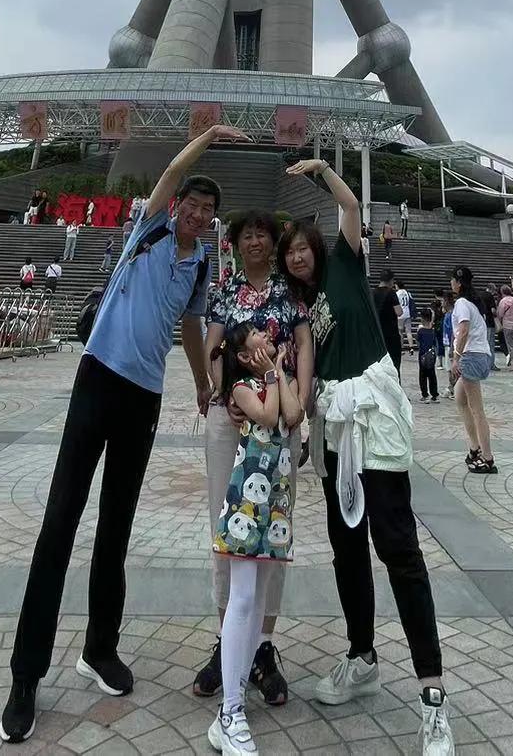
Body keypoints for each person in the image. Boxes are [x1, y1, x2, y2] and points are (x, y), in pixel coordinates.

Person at [0, 123, 242, 745]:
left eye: (208, 211)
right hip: (97, 380)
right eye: (192, 204)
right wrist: (210, 134)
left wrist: (199, 382)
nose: (197, 215)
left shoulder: (202, 263)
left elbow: (190, 328)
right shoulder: (152, 228)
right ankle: (25, 678)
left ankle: (99, 648)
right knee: (60, 523)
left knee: (117, 526)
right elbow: (165, 176)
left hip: (143, 398)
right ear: (177, 205)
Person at [278, 158, 456, 756]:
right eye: (290, 252)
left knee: (399, 550)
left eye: (304, 247)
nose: (298, 256)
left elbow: (352, 209)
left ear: (319, 249)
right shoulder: (301, 312)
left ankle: (432, 699)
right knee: (346, 549)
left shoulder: (347, 267)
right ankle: (361, 658)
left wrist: (325, 171)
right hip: (333, 430)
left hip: (374, 420)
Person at [195, 209, 312, 710]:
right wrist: (213, 383)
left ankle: (262, 644)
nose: (255, 242)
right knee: (227, 529)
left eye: (262, 234)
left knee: (275, 531)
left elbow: (304, 343)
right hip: (233, 420)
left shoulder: (290, 292)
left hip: (279, 419)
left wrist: (301, 401)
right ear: (235, 244)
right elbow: (212, 342)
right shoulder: (224, 289)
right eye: (247, 235)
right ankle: (228, 636)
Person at [208, 323, 303, 756]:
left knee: (260, 597)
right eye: (259, 341)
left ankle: (238, 693)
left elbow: (294, 413)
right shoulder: (242, 388)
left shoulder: (271, 377)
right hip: (248, 501)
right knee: (243, 597)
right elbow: (267, 415)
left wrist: (280, 371)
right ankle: (228, 711)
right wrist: (271, 374)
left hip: (275, 504)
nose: (269, 338)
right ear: (245, 357)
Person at [451, 267, 496, 473]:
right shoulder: (473, 302)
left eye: (452, 280)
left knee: (477, 410)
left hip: (471, 356)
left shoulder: (461, 303)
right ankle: (474, 447)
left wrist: (456, 358)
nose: (451, 283)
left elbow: (464, 331)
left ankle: (487, 458)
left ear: (458, 283)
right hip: (479, 355)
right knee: (460, 399)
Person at [374, 271, 404, 374]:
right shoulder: (391, 293)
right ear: (391, 280)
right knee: (394, 364)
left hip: (377, 334)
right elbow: (399, 312)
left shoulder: (372, 292)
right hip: (391, 334)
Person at [416, 308, 440, 403]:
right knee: (432, 375)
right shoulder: (433, 331)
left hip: (422, 355)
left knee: (422, 375)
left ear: (422, 318)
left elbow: (418, 342)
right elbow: (435, 344)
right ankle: (435, 395)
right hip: (432, 356)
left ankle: (425, 395)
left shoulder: (420, 331)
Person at [441, 293, 457, 395]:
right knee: (449, 368)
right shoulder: (448, 314)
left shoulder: (451, 315)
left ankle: (453, 388)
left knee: (451, 368)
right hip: (446, 342)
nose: (442, 304)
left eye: (443, 301)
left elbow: (453, 332)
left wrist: (452, 347)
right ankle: (451, 387)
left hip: (451, 344)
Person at [396, 282, 415, 352]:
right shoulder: (408, 293)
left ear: (397, 285)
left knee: (400, 332)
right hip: (407, 313)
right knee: (408, 331)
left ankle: (402, 348)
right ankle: (411, 347)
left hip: (400, 314)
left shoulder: (397, 293)